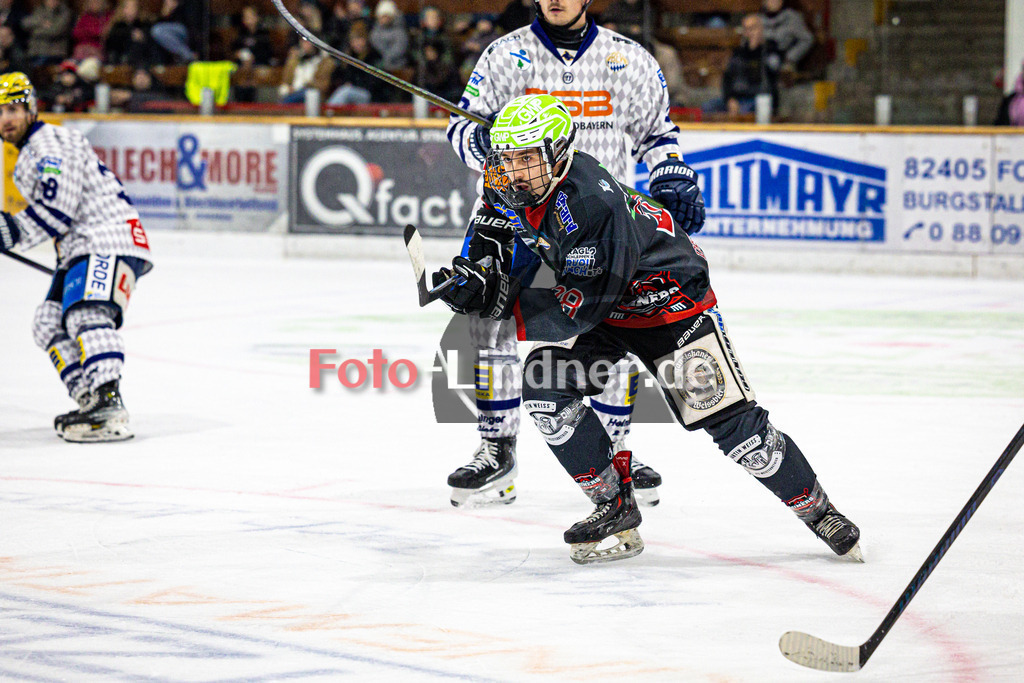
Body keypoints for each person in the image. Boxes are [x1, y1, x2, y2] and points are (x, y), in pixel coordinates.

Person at [433, 93, 862, 564]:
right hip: (613, 307)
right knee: (544, 384)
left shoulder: (592, 204)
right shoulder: (514, 185)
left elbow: (580, 308)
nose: (514, 172)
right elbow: (501, 237)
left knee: (739, 432)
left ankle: (820, 512)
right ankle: (614, 506)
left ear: (558, 155)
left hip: (670, 309)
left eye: (527, 159)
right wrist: (472, 274)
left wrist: (497, 304)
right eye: (507, 158)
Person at [444, 0, 705, 508]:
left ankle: (614, 451)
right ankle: (496, 450)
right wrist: (480, 139)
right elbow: (457, 131)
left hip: (597, 222)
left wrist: (670, 171)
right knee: (489, 320)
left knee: (610, 325)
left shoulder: (628, 59)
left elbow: (658, 134)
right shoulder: (504, 55)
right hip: (512, 213)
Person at [0, 72, 153, 442]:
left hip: (106, 239)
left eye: (14, 108)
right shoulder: (29, 153)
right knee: (47, 323)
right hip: (80, 247)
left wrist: (7, 231)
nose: (6, 118)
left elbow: (56, 211)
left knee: (87, 314)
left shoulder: (49, 141)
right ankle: (89, 397)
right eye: (0, 111)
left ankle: (108, 402)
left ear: (32, 109)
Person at [702, 12, 782, 117]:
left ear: (761, 29)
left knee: (746, 109)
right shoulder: (738, 53)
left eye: (753, 28)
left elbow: (770, 72)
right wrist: (730, 99)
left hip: (759, 98)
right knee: (708, 107)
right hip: (736, 99)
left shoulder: (771, 50)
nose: (750, 33)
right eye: (747, 29)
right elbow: (727, 79)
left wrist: (756, 49)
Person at [760, 0, 813, 76]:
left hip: (784, 62)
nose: (774, 1)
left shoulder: (792, 17)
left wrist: (790, 57)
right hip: (761, 62)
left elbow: (807, 39)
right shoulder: (756, 19)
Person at [22, 0, 71, 67]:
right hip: (34, 51)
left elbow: (55, 31)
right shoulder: (39, 10)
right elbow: (25, 23)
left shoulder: (65, 13)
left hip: (53, 54)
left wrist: (34, 31)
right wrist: (41, 22)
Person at [368, 0, 407, 71]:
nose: (384, 19)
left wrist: (388, 56)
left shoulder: (399, 30)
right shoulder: (375, 30)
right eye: (382, 16)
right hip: (379, 63)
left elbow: (400, 47)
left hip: (398, 64)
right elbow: (374, 41)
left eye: (386, 16)